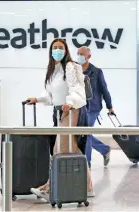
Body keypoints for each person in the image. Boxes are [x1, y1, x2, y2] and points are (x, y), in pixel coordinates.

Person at [27, 38, 95, 200]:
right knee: (72, 149)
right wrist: (37, 99)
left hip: (72, 111)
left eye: (61, 48)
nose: (57, 50)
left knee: (61, 149)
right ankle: (88, 187)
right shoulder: (53, 69)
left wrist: (70, 103)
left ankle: (49, 187)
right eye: (55, 47)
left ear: (66, 51)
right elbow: (50, 94)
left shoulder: (71, 67)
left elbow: (77, 90)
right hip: (59, 113)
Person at [76, 46, 112, 168]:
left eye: (81, 54)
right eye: (78, 53)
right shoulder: (74, 70)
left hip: (93, 107)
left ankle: (87, 163)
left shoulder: (96, 71)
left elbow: (104, 90)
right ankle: (104, 149)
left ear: (88, 56)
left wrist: (110, 106)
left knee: (86, 132)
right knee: (84, 133)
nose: (79, 56)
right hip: (78, 107)